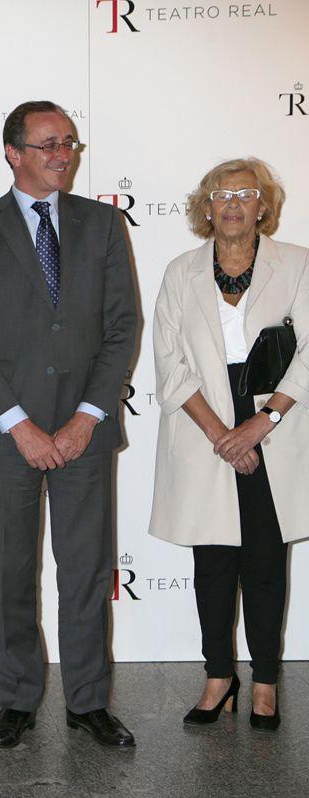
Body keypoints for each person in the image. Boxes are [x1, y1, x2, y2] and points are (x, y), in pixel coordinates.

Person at [0, 100, 138, 750]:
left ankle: (89, 702)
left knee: (85, 569)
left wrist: (89, 416)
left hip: (86, 433)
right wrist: (18, 424)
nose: (63, 154)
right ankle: (17, 699)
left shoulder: (104, 223)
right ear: (13, 153)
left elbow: (121, 328)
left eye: (68, 142)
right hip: (9, 436)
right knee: (11, 570)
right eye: (47, 145)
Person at [150, 158, 307, 733]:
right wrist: (224, 436)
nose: (234, 203)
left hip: (276, 425)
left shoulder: (297, 265)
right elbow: (170, 364)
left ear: (263, 205)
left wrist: (260, 423)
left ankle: (264, 682)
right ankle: (219, 677)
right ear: (206, 205)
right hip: (205, 429)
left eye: (246, 193)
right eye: (222, 193)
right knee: (212, 562)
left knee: (266, 564)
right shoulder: (180, 271)